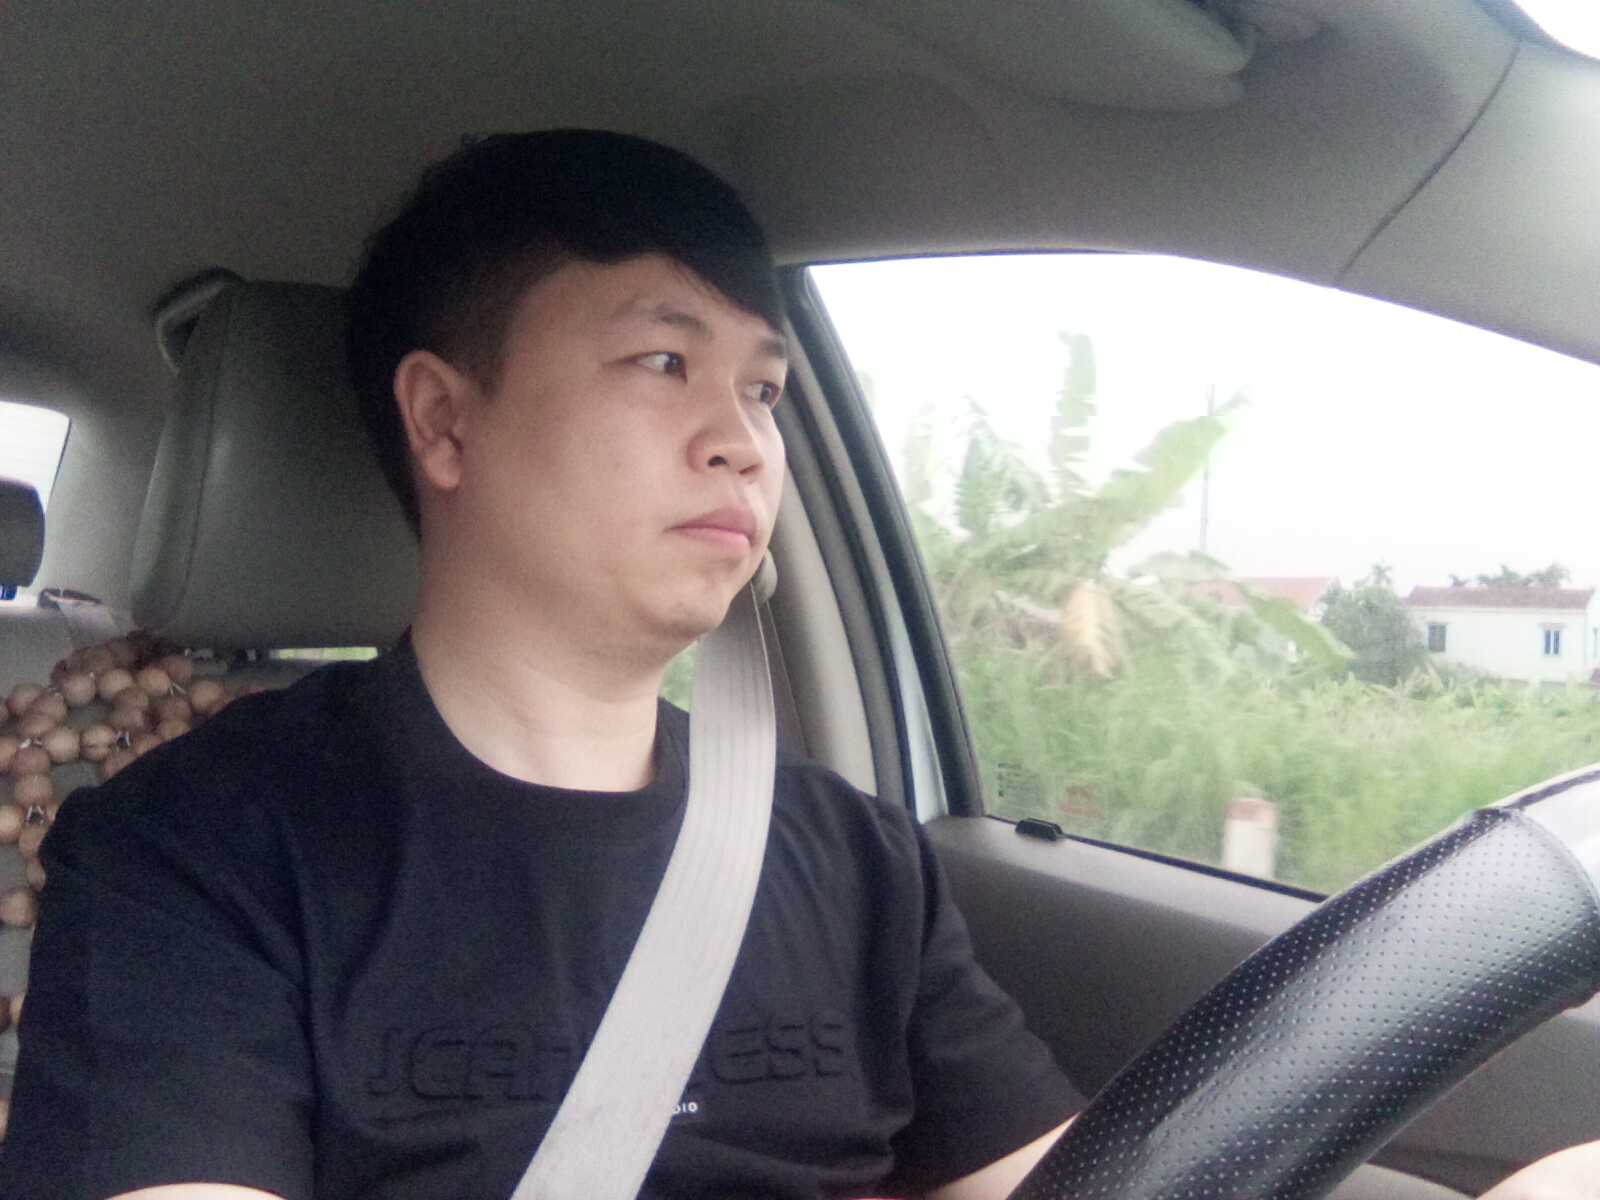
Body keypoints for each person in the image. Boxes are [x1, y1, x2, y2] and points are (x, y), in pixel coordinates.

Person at [1, 129, 1595, 1200]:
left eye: (764, 389)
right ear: (444, 419)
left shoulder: (843, 850)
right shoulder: (188, 855)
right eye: (662, 360)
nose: (742, 439)